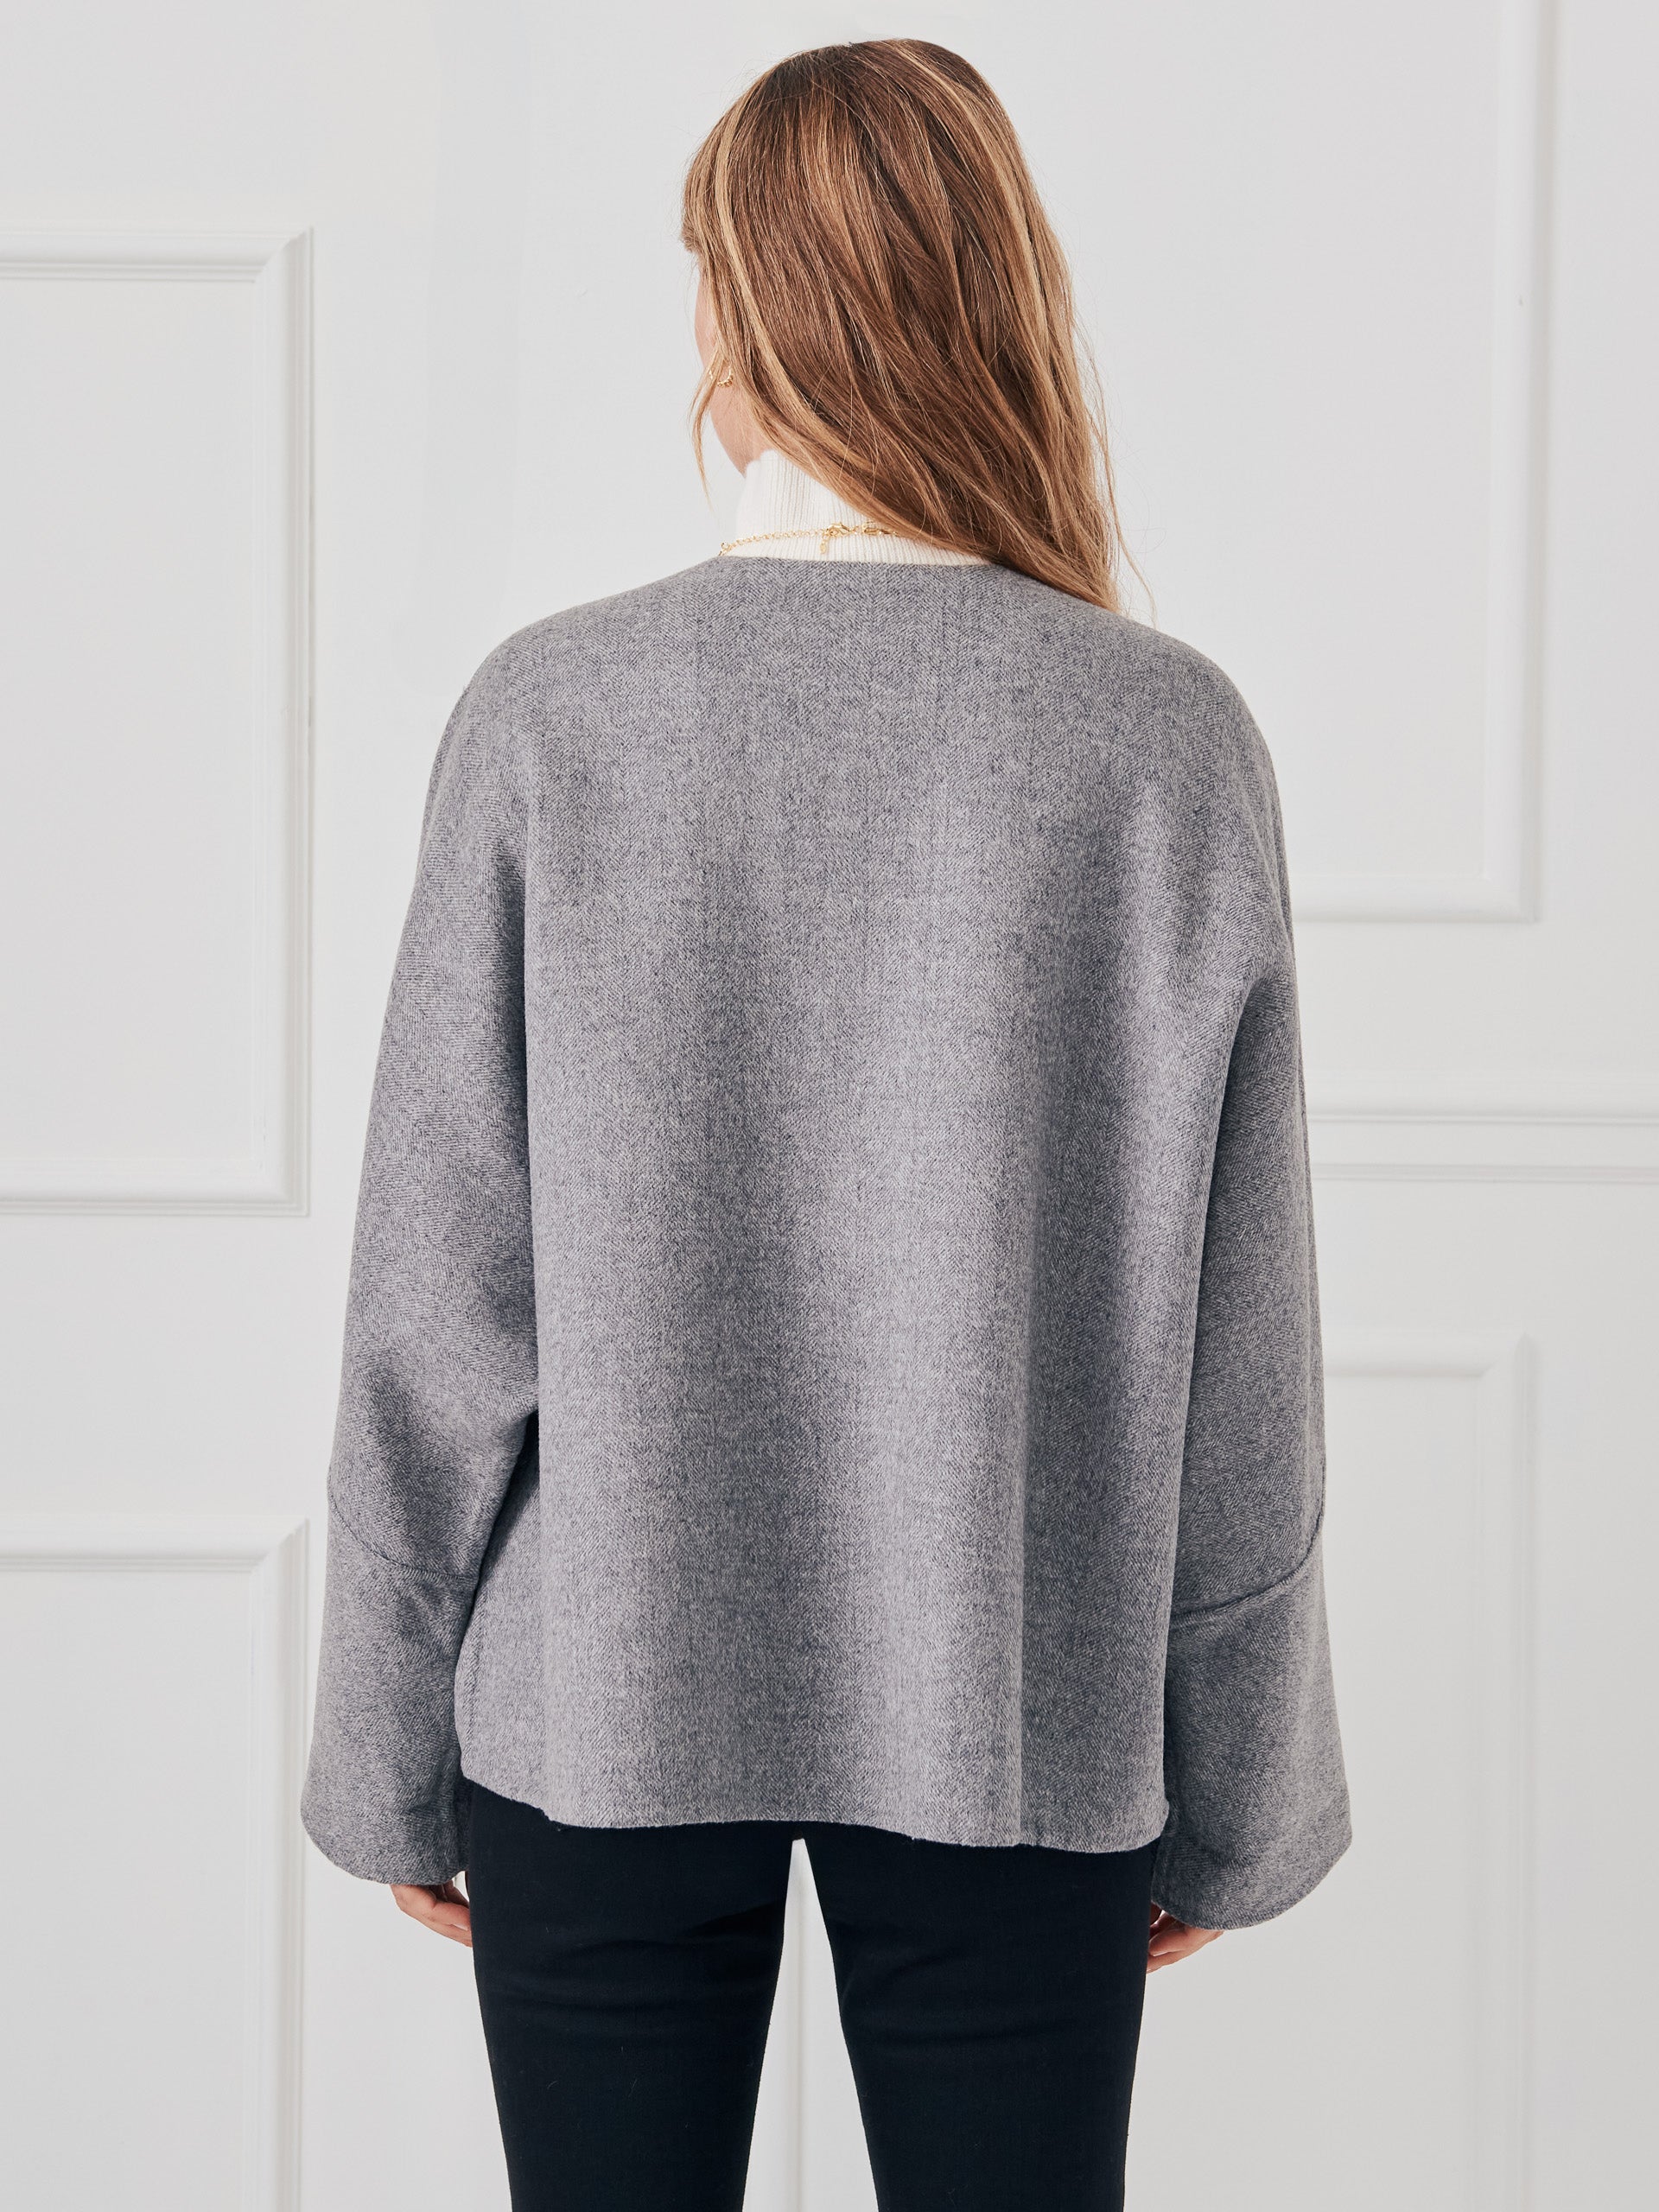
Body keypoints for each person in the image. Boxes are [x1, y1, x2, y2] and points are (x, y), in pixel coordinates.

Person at [302, 37, 1351, 2212]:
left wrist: (384, 1745)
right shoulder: (1163, 745)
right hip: (1016, 1697)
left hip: (602, 1690)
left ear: (741, 314)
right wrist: (1239, 1780)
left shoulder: (550, 717)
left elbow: (438, 1294)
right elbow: (1234, 1352)